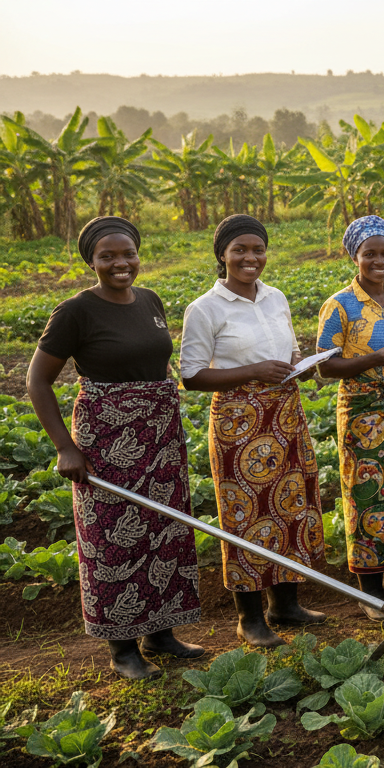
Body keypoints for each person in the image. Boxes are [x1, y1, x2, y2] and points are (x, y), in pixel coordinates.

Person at [27, 217, 203, 679]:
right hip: (108, 440)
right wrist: (65, 447)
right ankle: (122, 649)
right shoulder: (75, 311)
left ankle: (161, 634)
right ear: (92, 261)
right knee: (114, 539)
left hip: (160, 437)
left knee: (164, 531)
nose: (121, 263)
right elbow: (37, 381)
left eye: (128, 253)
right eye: (108, 256)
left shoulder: (149, 300)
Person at [180, 214, 326, 646]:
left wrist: (299, 364)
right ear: (222, 255)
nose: (250, 257)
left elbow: (289, 348)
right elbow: (190, 376)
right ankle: (250, 618)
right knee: (245, 511)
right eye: (239, 250)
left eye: (257, 249)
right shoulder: (204, 308)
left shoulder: (276, 297)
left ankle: (286, 605)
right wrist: (256, 370)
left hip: (284, 414)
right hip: (238, 421)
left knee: (289, 504)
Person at [316, 215, 384, 619]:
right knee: (368, 495)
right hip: (365, 413)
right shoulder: (340, 304)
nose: (380, 261)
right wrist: (373, 359)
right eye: (370, 254)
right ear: (355, 257)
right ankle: (369, 591)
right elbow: (325, 367)